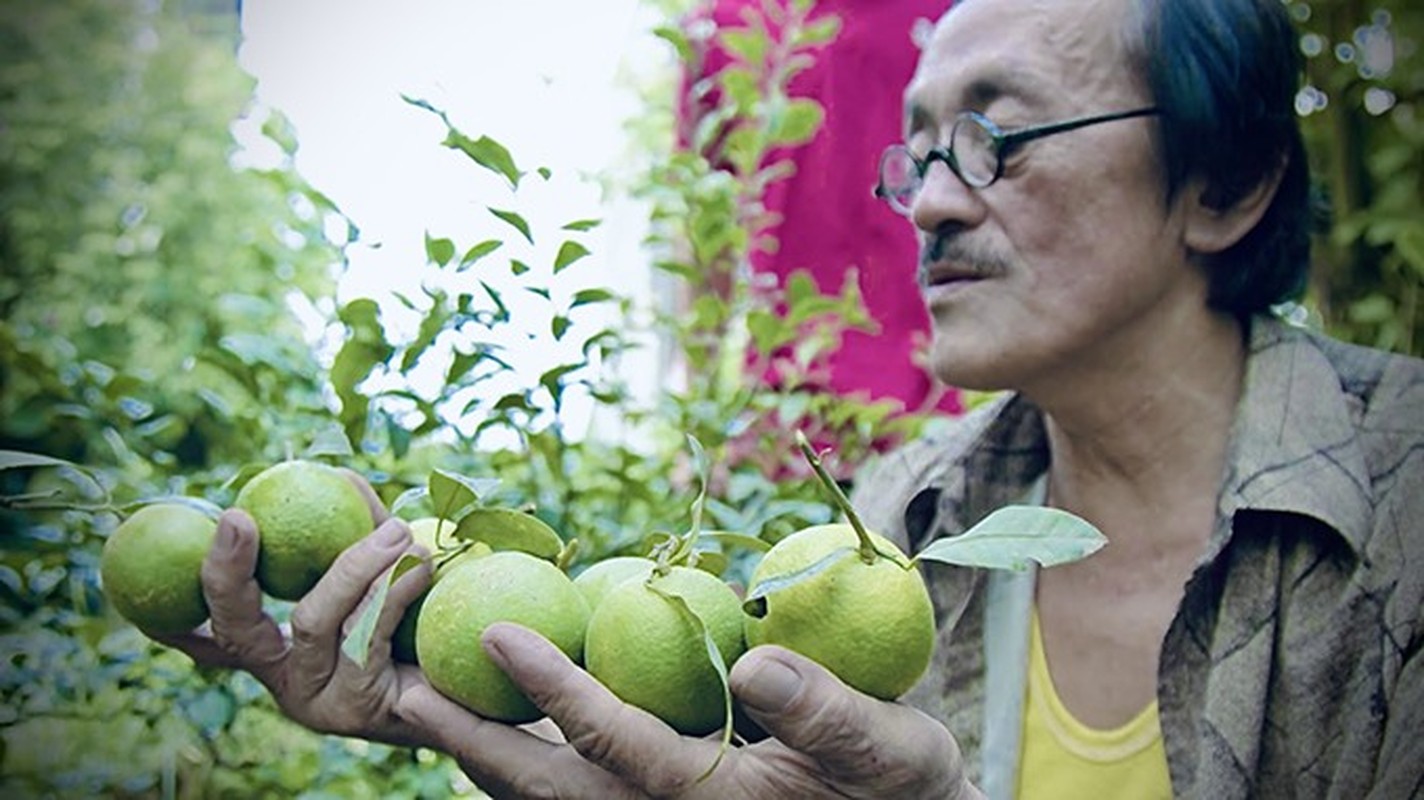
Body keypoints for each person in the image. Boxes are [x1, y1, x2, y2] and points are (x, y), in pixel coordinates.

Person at [161, 0, 1424, 797]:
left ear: (1227, 183)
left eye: (996, 135)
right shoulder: (887, 518)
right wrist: (444, 706)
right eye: (916, 149)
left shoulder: (1405, 496)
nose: (928, 200)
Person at [677, 0, 962, 419]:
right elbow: (706, 239)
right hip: (779, 418)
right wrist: (698, 426)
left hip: (931, 414)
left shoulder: (959, 17)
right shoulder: (720, 27)